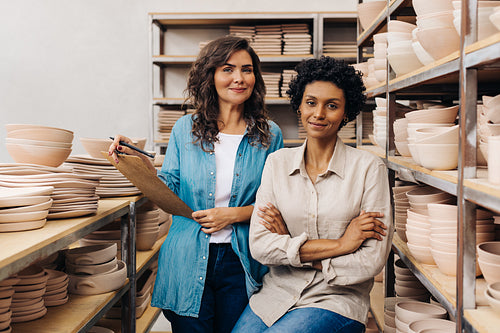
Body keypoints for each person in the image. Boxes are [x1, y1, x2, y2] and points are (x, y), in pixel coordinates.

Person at [108, 36, 283, 333]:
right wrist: (140, 163)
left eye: (247, 69)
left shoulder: (269, 135)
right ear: (211, 75)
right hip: (187, 256)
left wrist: (233, 215)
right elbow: (170, 188)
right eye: (228, 69)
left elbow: (278, 201)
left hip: (241, 261)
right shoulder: (184, 129)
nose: (239, 78)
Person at [232, 56, 393, 333]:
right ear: (299, 105)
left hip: (337, 299)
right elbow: (260, 246)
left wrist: (290, 246)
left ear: (346, 112)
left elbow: (371, 261)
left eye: (332, 105)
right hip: (276, 294)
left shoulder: (368, 168)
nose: (318, 113)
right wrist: (343, 244)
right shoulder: (277, 163)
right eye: (311, 102)